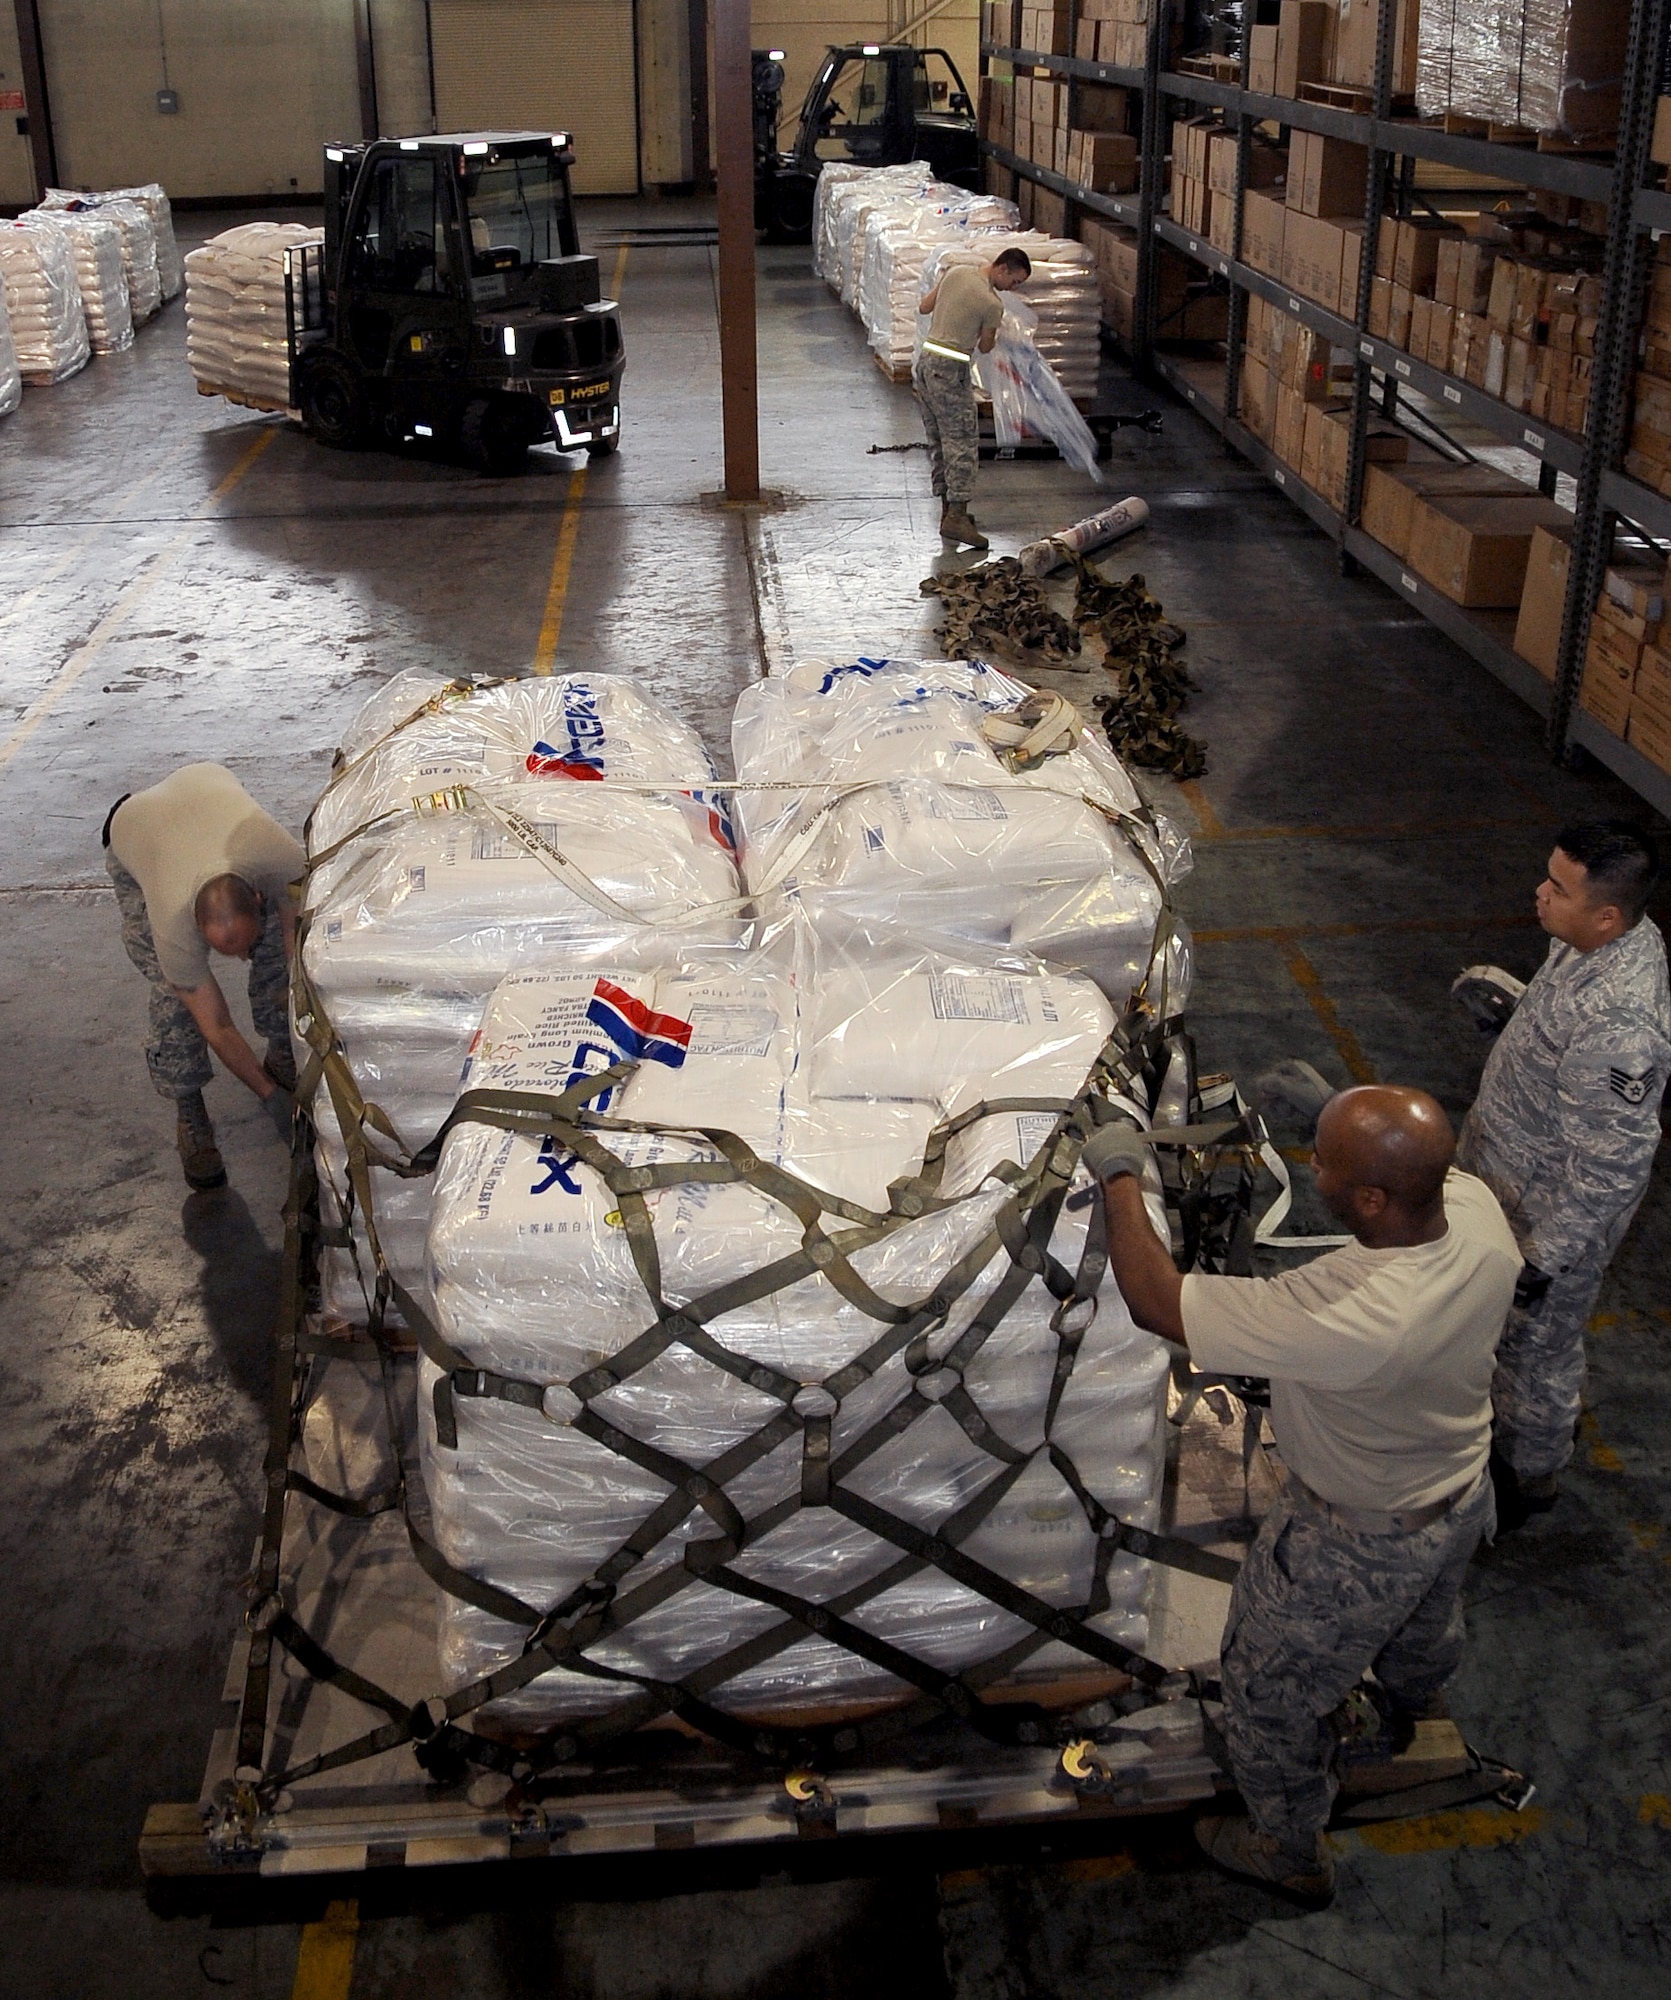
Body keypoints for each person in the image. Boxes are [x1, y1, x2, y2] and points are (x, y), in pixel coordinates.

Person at [1082, 1086, 1519, 1907]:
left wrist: (1117, 1172)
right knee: (1426, 1622)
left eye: (1323, 1161)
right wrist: (1350, 1120)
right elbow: (1421, 1171)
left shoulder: (1348, 1314)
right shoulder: (1476, 1213)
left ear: (1370, 1199)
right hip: (1457, 1487)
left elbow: (1153, 1300)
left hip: (1359, 1537)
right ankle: (1414, 1707)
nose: (1307, 1165)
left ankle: (1285, 1848)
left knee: (1264, 1692)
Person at [1454, 820, 1669, 1526]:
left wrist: (1543, 1260)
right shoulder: (1588, 939)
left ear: (1606, 914)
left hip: (1545, 1218)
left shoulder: (1621, 1025)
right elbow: (1560, 1032)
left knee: (1532, 1354)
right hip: (1502, 1173)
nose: (1539, 894)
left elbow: (1612, 1166)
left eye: (1557, 888)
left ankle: (1527, 1475)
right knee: (1489, 1336)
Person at [104, 763, 305, 1190]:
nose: (236, 961)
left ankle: (283, 1055)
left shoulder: (283, 861)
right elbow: (216, 1024)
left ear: (256, 894)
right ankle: (189, 1109)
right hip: (136, 828)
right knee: (174, 1000)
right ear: (197, 926)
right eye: (220, 949)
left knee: (284, 957)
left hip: (203, 788)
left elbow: (295, 944)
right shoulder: (172, 921)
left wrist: (293, 1012)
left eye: (239, 948)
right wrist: (270, 1099)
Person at [914, 247, 1032, 551]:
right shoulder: (993, 303)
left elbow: (924, 307)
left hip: (926, 364)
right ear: (1003, 269)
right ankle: (957, 516)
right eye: (1015, 281)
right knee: (962, 441)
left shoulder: (956, 272)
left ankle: (947, 511)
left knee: (940, 440)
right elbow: (987, 346)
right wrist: (999, 331)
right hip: (951, 370)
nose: (1013, 288)